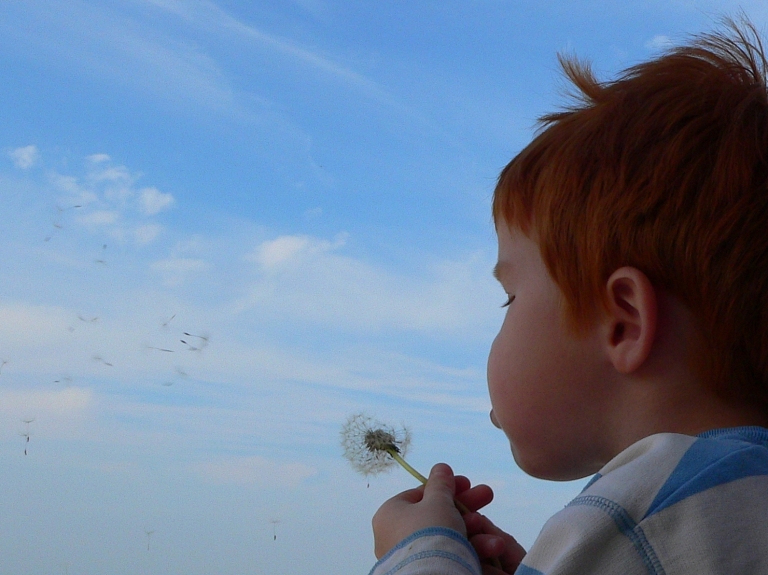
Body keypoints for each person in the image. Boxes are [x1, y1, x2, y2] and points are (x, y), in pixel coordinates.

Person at [368, 16, 768, 575]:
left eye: (509, 298)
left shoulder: (642, 511)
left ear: (623, 322)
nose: (501, 323)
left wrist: (420, 551)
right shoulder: (734, 500)